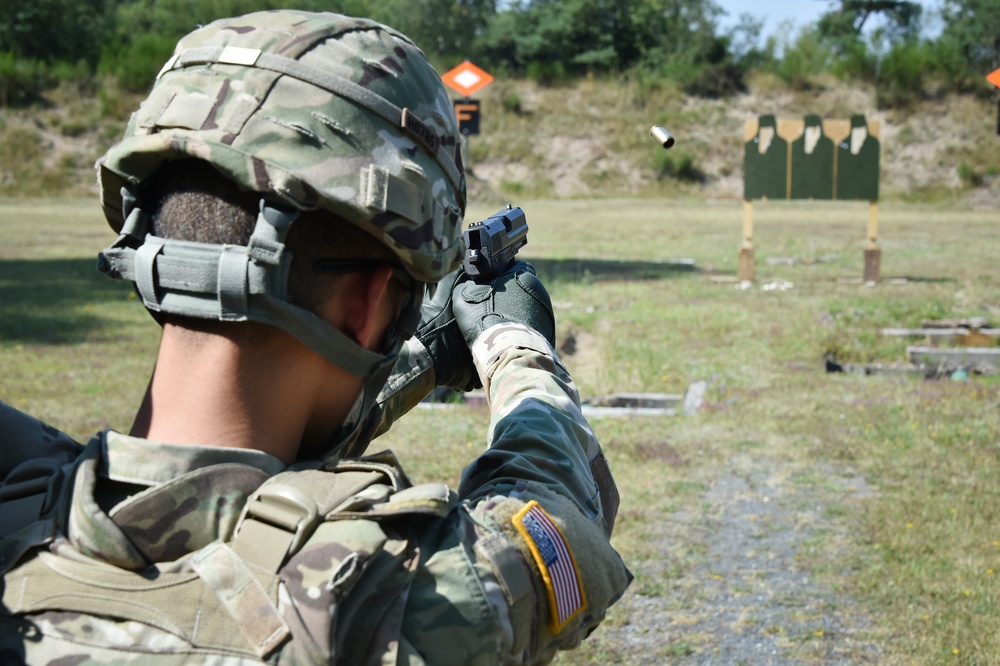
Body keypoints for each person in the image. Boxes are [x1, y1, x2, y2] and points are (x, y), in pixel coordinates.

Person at [0, 10, 631, 665]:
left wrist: (416, 354)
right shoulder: (386, 602)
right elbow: (560, 523)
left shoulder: (25, 496)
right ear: (369, 304)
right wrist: (514, 346)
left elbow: (235, 462)